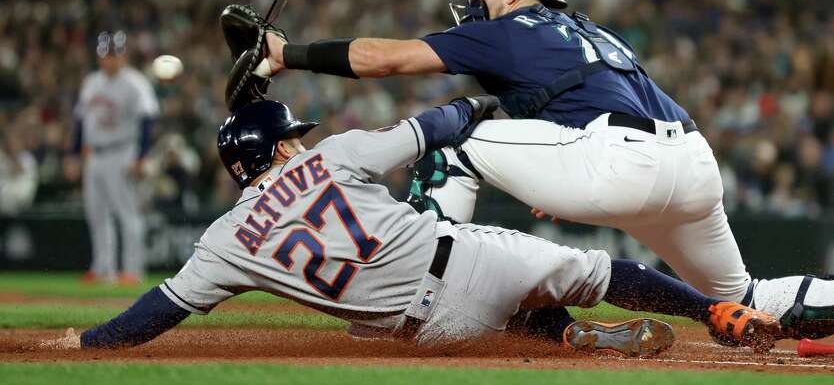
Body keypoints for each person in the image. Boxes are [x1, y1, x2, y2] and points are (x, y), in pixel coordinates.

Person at [249, 0, 834, 346]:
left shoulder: (507, 27)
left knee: (456, 134)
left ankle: (418, 295)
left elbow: (388, 59)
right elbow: (573, 101)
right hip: (690, 162)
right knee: (750, 294)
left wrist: (289, 54)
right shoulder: (588, 30)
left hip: (614, 159)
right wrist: (555, 164)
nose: (471, 3)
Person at [42, 98, 780, 354]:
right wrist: (476, 108)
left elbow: (158, 311)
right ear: (281, 147)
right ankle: (712, 309)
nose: (300, 138)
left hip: (420, 333)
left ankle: (566, 337)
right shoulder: (332, 156)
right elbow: (433, 128)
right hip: (464, 260)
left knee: (493, 327)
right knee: (595, 271)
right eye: (290, 134)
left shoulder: (225, 241)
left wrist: (90, 342)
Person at [72, 31, 159, 284]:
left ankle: (132, 270)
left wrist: (141, 156)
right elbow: (80, 120)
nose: (108, 59)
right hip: (94, 155)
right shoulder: (91, 82)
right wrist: (75, 152)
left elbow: (147, 119)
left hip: (122, 152)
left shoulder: (135, 83)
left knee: (127, 212)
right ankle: (102, 269)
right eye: (104, 55)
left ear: (123, 56)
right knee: (96, 213)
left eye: (113, 54)